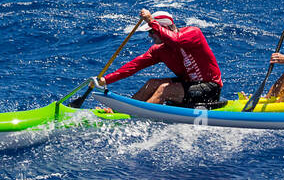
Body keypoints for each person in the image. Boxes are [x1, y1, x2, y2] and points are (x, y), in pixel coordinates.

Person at [88, 8, 224, 106]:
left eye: (152, 31)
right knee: (152, 83)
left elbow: (176, 40)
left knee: (164, 89)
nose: (150, 35)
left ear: (164, 27)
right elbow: (133, 66)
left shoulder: (193, 33)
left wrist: (151, 21)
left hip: (210, 88)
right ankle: (124, 112)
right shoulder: (160, 50)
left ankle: (138, 115)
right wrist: (105, 80)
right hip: (189, 85)